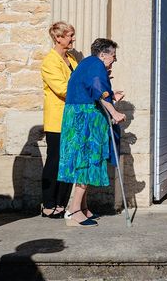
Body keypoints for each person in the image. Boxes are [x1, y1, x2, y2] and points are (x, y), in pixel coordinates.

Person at [58, 38, 126, 227]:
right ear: (103, 54)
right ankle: (73, 211)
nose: (114, 60)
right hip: (85, 119)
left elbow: (94, 89)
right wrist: (115, 112)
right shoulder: (96, 64)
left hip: (80, 115)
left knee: (84, 162)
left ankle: (83, 207)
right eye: (113, 55)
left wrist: (112, 96)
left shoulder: (88, 63)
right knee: (85, 162)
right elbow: (98, 91)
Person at [40, 21, 78, 219]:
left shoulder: (71, 59)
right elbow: (62, 89)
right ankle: (48, 204)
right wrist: (84, 87)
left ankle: (61, 203)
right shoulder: (50, 61)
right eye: (70, 35)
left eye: (72, 35)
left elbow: (80, 79)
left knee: (69, 162)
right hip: (57, 120)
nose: (73, 39)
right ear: (58, 38)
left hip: (72, 118)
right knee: (55, 161)